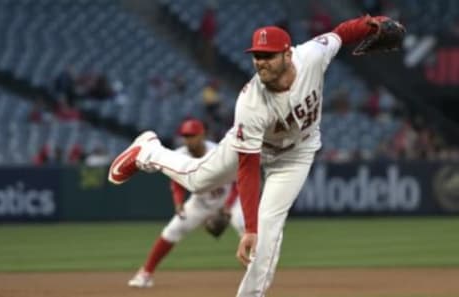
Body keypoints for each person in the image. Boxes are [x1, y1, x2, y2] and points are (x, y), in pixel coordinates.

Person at [109, 15, 399, 297]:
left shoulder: (311, 55)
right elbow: (248, 169)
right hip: (251, 148)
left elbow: (342, 33)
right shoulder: (251, 103)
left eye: (268, 55)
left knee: (269, 233)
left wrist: (372, 23)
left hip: (297, 154)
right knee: (198, 181)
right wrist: (248, 227)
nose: (261, 61)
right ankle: (147, 150)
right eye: (257, 55)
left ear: (287, 54)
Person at [127, 118, 244, 288]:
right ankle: (146, 273)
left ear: (202, 134)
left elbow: (238, 180)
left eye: (192, 135)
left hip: (229, 199)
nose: (188, 139)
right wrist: (179, 202)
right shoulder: (180, 154)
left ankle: (256, 273)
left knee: (244, 225)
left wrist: (228, 206)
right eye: (185, 136)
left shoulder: (217, 151)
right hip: (200, 202)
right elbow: (176, 181)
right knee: (172, 230)